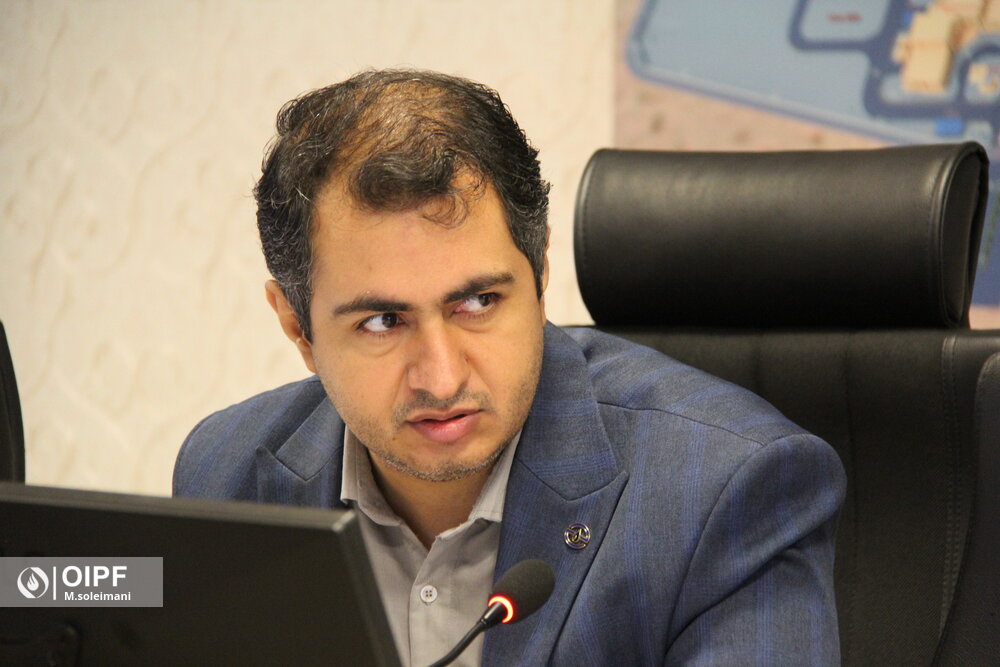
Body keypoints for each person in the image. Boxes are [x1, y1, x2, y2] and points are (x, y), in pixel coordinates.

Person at [174, 69, 846, 666]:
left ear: (541, 272)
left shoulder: (723, 492)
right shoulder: (227, 473)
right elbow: (125, 596)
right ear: (297, 327)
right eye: (382, 321)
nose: (442, 378)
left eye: (477, 303)